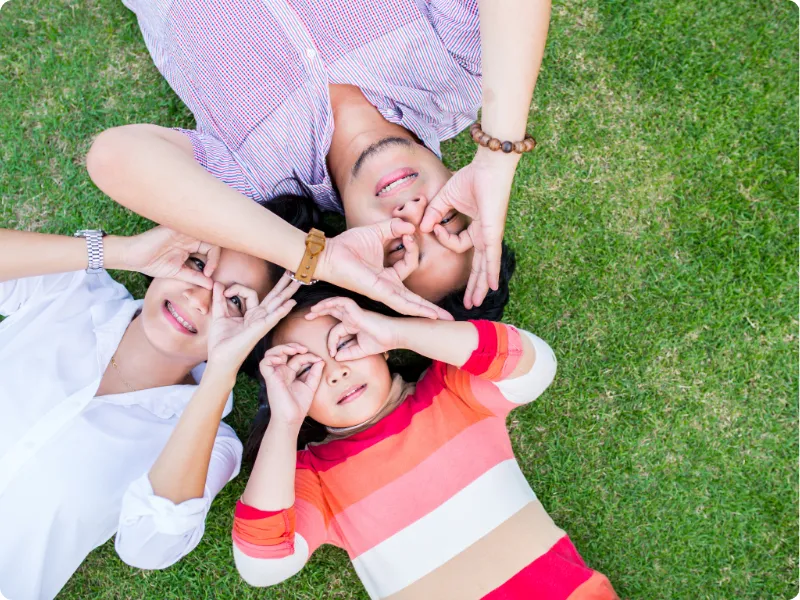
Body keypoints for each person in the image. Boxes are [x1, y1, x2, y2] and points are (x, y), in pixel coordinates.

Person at [85, 0, 550, 318]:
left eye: (397, 246)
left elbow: (114, 157)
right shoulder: (460, 71)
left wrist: (320, 260)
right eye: (446, 220)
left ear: (358, 244)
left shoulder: (254, 180)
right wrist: (497, 156)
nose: (412, 214)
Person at [0, 197, 310, 600]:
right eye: (199, 265)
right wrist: (124, 252)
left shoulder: (210, 444)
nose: (201, 299)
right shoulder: (72, 288)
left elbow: (149, 547)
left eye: (235, 301)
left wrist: (222, 369)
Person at [231, 285, 618, 599]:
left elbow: (536, 367)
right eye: (306, 371)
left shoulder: (452, 390)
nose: (337, 372)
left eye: (343, 343)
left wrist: (400, 330)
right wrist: (284, 422)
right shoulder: (314, 478)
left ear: (376, 341)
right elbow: (263, 566)